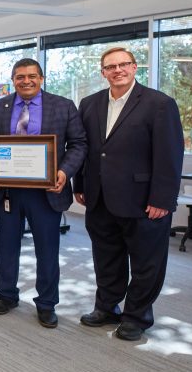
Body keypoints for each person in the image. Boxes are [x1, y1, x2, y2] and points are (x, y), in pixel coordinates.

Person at [73, 47, 184, 341]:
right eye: (111, 67)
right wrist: (80, 185)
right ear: (103, 72)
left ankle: (136, 316)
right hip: (99, 198)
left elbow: (170, 155)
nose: (117, 70)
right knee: (106, 258)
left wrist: (163, 199)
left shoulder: (159, 104)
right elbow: (85, 150)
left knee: (147, 262)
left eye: (124, 64)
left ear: (135, 68)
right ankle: (107, 307)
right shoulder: (89, 103)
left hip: (144, 200)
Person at [0, 58, 86, 328]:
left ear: (41, 78)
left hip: (46, 193)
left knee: (47, 250)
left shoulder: (62, 106)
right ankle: (6, 295)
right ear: (13, 80)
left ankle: (47, 303)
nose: (26, 81)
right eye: (20, 77)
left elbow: (78, 144)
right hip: (8, 191)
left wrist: (63, 172)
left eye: (31, 76)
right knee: (6, 247)